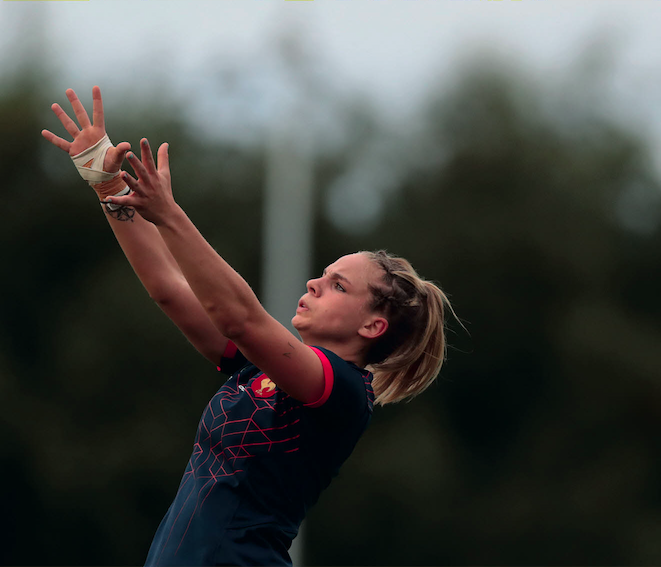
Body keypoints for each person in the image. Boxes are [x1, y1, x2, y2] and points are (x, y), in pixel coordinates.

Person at [42, 87, 458, 566]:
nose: (314, 284)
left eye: (338, 286)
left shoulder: (341, 390)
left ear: (372, 326)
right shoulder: (257, 371)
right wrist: (107, 184)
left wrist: (170, 214)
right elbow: (169, 289)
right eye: (322, 275)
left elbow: (237, 315)